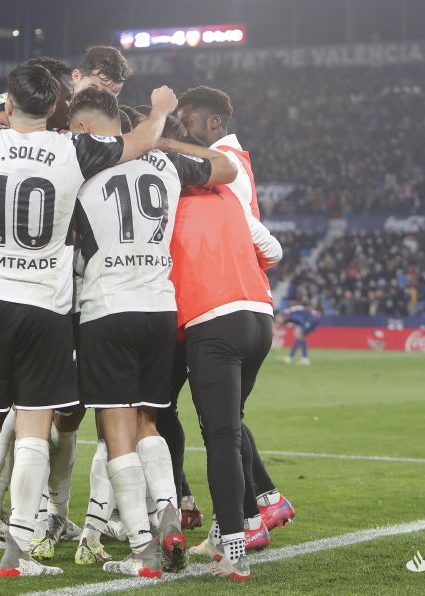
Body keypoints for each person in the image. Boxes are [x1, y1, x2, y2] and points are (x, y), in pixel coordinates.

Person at [0, 63, 178, 578]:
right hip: (47, 309)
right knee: (35, 429)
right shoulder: (74, 149)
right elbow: (143, 141)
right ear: (56, 108)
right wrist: (163, 109)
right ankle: (18, 550)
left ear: (9, 105)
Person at [67, 87, 238, 577]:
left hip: (107, 307)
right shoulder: (167, 164)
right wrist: (163, 144)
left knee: (116, 429)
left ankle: (143, 551)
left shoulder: (83, 161)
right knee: (149, 422)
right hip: (160, 310)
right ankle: (168, 514)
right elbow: (226, 170)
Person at [168, 85, 285, 581]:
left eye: (188, 121)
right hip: (257, 313)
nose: (183, 130)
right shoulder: (224, 181)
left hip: (214, 315)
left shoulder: (207, 174)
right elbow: (271, 248)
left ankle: (233, 547)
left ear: (212, 123)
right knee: (229, 426)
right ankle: (262, 506)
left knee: (220, 434)